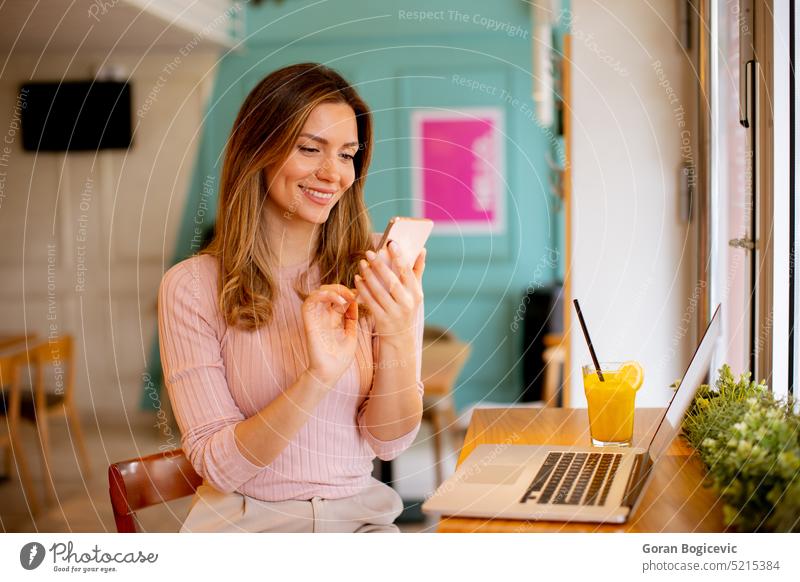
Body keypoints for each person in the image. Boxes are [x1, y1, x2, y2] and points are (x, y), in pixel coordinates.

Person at [157, 63, 426, 533]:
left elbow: (389, 441)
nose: (332, 173)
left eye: (347, 154)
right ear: (257, 151)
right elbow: (218, 466)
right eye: (309, 149)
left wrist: (401, 334)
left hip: (360, 522)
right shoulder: (192, 287)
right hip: (246, 527)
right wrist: (317, 376)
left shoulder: (374, 275)